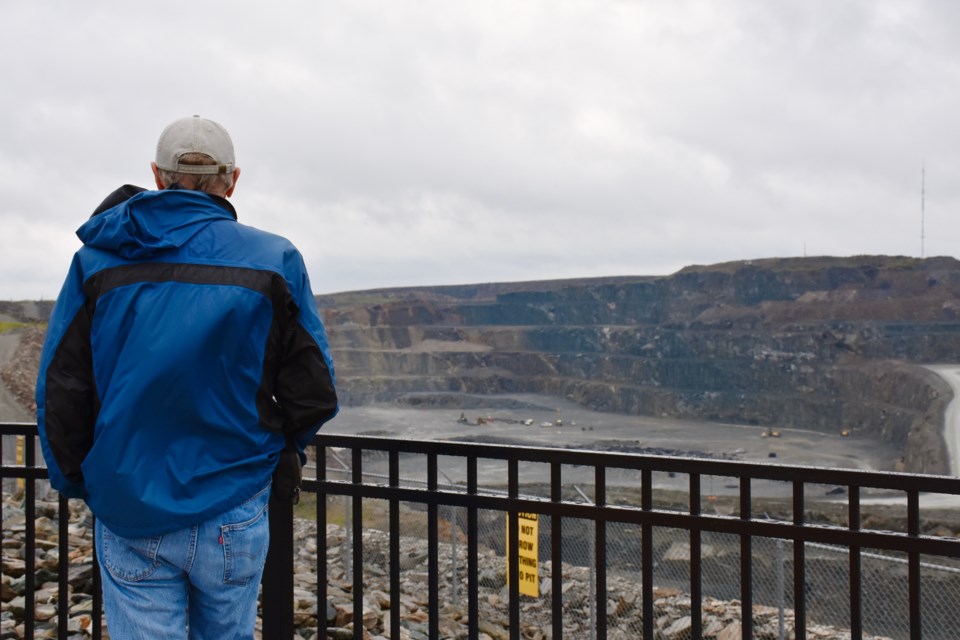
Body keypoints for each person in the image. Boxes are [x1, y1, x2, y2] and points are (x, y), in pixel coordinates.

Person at [35, 115, 338, 639]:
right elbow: (312, 392)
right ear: (233, 180)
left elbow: (63, 388)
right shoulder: (274, 260)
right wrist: (275, 450)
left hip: (129, 500)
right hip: (234, 498)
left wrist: (81, 481)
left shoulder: (96, 262)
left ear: (157, 175)